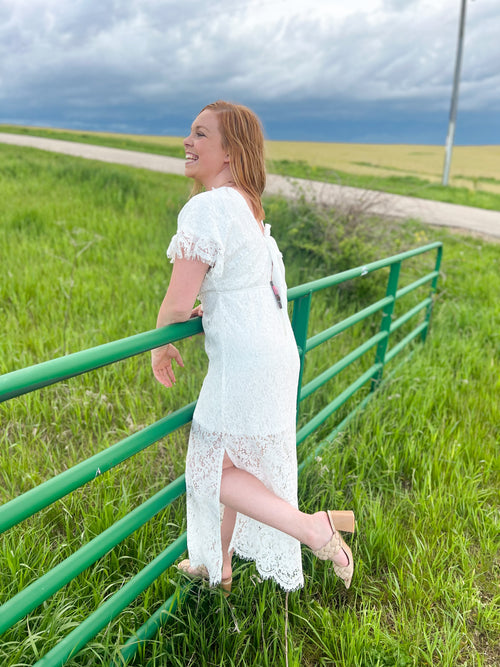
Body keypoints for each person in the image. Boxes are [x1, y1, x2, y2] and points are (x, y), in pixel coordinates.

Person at [152, 100, 354, 593]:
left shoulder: (206, 207)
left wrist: (160, 342)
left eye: (201, 134)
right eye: (190, 132)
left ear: (229, 152)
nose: (188, 142)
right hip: (276, 353)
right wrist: (213, 308)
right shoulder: (247, 208)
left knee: (209, 469)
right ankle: (216, 567)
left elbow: (177, 302)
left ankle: (311, 527)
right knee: (232, 464)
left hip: (245, 362)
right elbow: (242, 286)